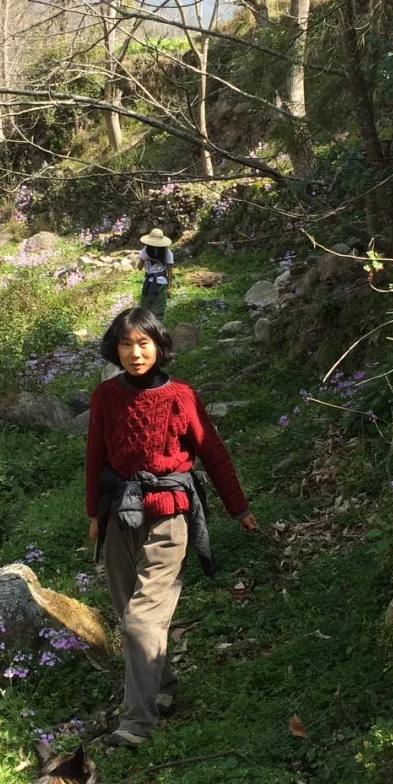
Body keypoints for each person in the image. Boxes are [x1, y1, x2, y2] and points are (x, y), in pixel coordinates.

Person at [86, 307, 259, 748]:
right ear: (115, 349)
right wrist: (94, 515)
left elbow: (214, 453)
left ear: (160, 347)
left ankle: (136, 723)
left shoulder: (181, 396)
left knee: (142, 618)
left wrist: (239, 509)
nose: (135, 353)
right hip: (120, 515)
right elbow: (95, 458)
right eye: (126, 344)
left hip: (169, 516)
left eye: (144, 343)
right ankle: (162, 689)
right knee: (129, 612)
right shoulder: (106, 395)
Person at [137, 227, 175, 319]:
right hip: (149, 283)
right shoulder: (145, 250)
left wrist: (169, 288)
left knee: (157, 313)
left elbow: (170, 271)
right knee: (145, 312)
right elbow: (139, 268)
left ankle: (156, 331)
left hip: (161, 284)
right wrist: (142, 260)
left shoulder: (167, 252)